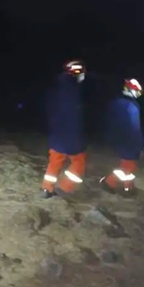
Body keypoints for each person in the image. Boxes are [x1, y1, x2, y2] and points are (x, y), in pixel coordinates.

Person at [41, 59, 87, 198]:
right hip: (71, 136)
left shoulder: (56, 87)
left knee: (55, 162)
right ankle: (65, 187)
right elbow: (74, 117)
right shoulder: (73, 91)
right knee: (79, 163)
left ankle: (46, 189)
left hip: (57, 135)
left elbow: (51, 111)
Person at [101, 78, 144, 196]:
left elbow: (110, 122)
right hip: (129, 141)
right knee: (128, 165)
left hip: (121, 140)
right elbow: (134, 127)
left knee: (128, 165)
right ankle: (110, 183)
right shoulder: (131, 106)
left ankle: (127, 187)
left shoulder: (116, 103)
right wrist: (139, 144)